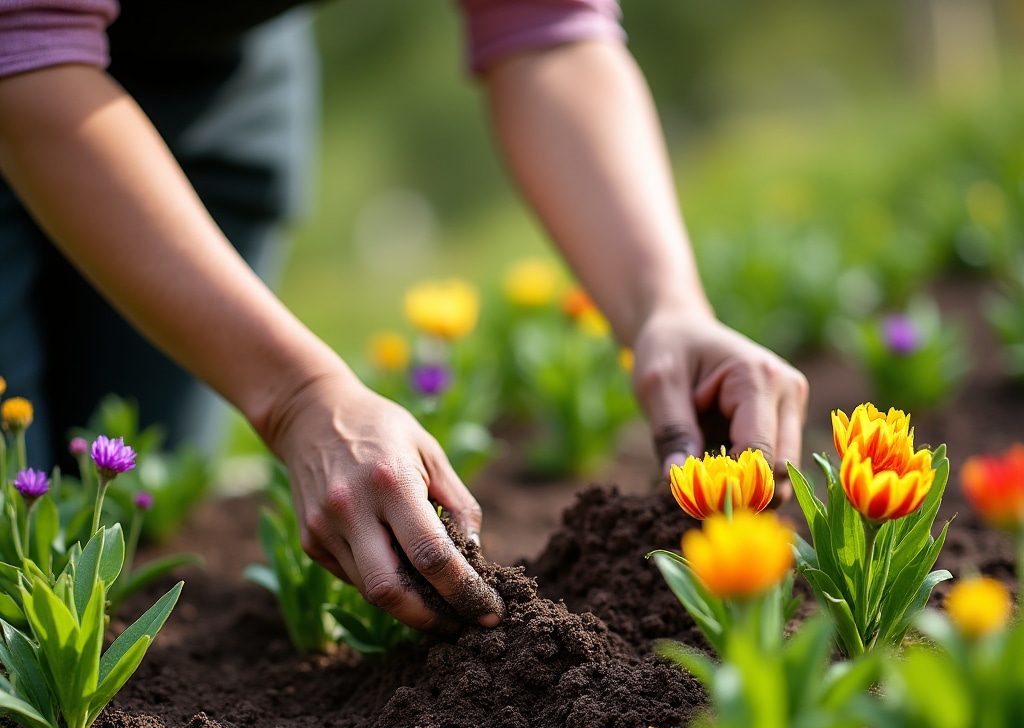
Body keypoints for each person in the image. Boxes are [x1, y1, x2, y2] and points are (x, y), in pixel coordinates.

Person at [0, 0, 808, 632]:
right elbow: (24, 43)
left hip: (214, 83)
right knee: (14, 555)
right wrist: (300, 394)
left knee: (130, 525)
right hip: (23, 68)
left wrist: (667, 305)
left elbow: (545, 29)